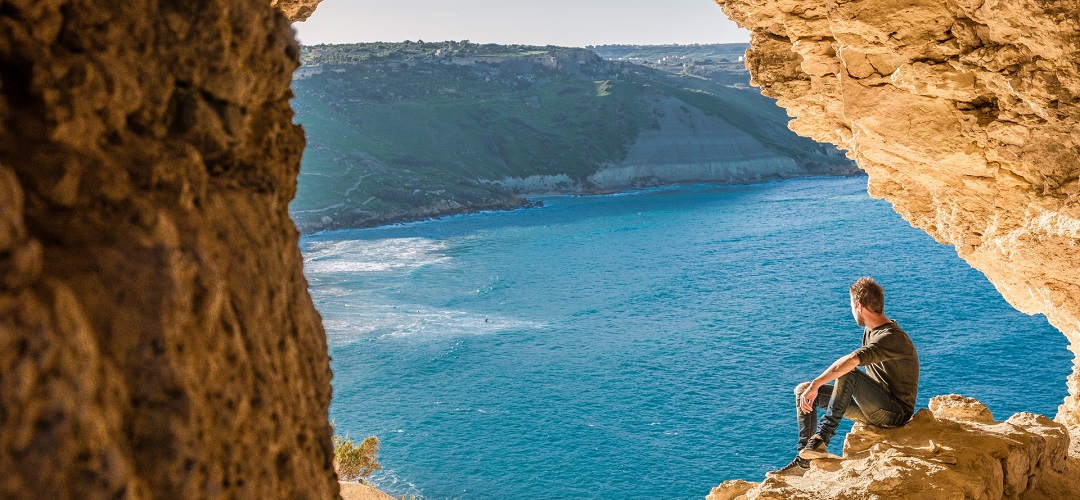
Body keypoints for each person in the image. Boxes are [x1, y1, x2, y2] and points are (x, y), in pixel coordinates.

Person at [769, 277, 919, 477]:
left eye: (850, 305)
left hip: (895, 413)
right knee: (803, 392)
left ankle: (821, 438)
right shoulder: (871, 330)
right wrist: (812, 388)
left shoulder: (890, 337)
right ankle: (804, 460)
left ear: (859, 306)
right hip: (873, 407)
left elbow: (850, 361)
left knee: (848, 372)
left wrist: (817, 382)